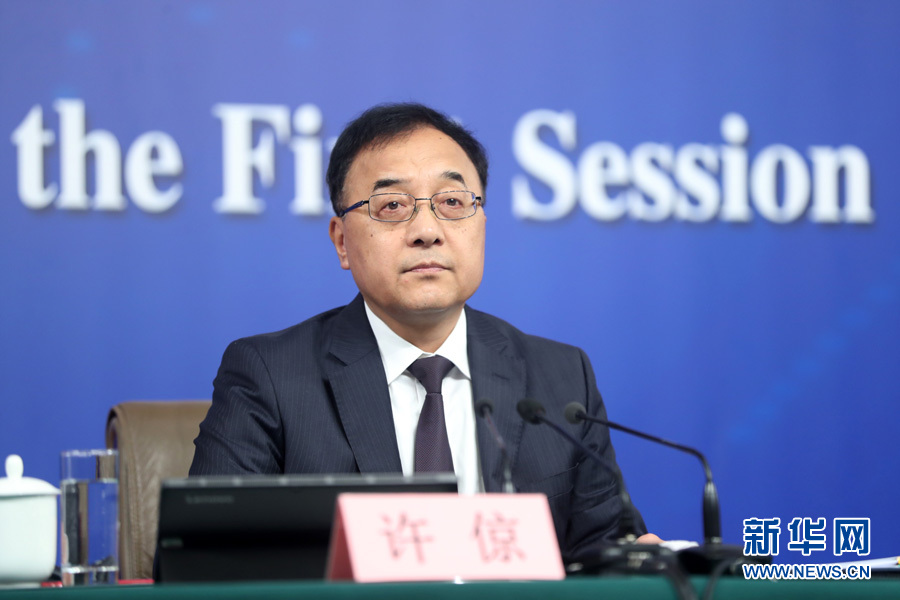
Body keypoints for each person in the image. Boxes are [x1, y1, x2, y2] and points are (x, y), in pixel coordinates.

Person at [190, 102, 659, 559]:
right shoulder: (270, 376)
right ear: (341, 241)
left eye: (452, 202)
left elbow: (607, 547)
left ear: (482, 224)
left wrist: (634, 560)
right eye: (392, 205)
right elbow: (204, 561)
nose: (427, 231)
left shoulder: (561, 377)